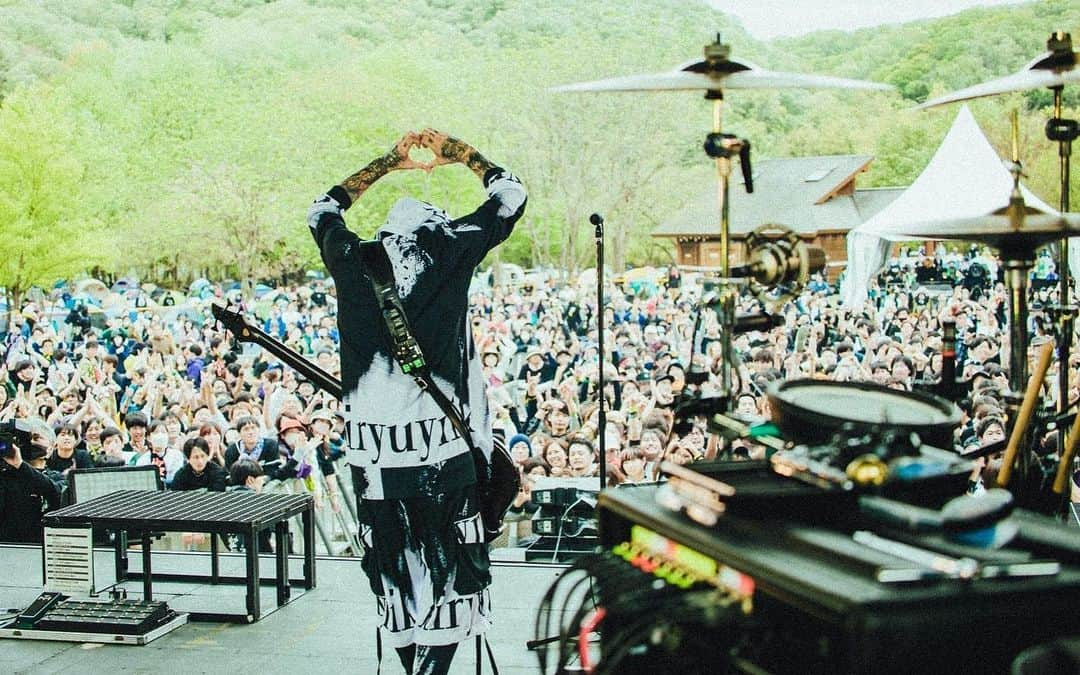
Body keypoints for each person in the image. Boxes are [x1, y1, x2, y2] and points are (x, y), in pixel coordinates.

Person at [307, 128, 526, 674]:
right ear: (436, 234)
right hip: (441, 453)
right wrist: (461, 155)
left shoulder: (351, 258)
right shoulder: (451, 252)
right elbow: (512, 194)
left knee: (395, 577)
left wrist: (387, 163)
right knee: (451, 578)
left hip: (373, 459)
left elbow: (321, 210)